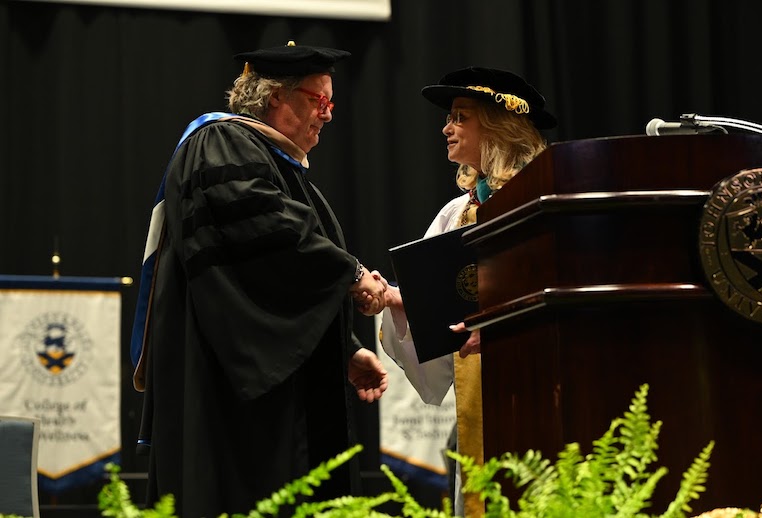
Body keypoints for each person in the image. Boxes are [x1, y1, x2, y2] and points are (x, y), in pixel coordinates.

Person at [128, 41, 389, 518]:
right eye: (320, 101)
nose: (329, 115)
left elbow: (276, 278)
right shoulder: (221, 144)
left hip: (261, 382)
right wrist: (352, 274)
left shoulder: (269, 158)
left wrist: (343, 346)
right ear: (276, 97)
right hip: (228, 385)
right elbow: (268, 233)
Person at [375, 66, 556, 517]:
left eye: (460, 116)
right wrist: (401, 301)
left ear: (498, 125)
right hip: (478, 405)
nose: (446, 127)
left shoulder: (546, 203)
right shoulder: (457, 214)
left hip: (542, 397)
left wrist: (504, 330)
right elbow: (436, 308)